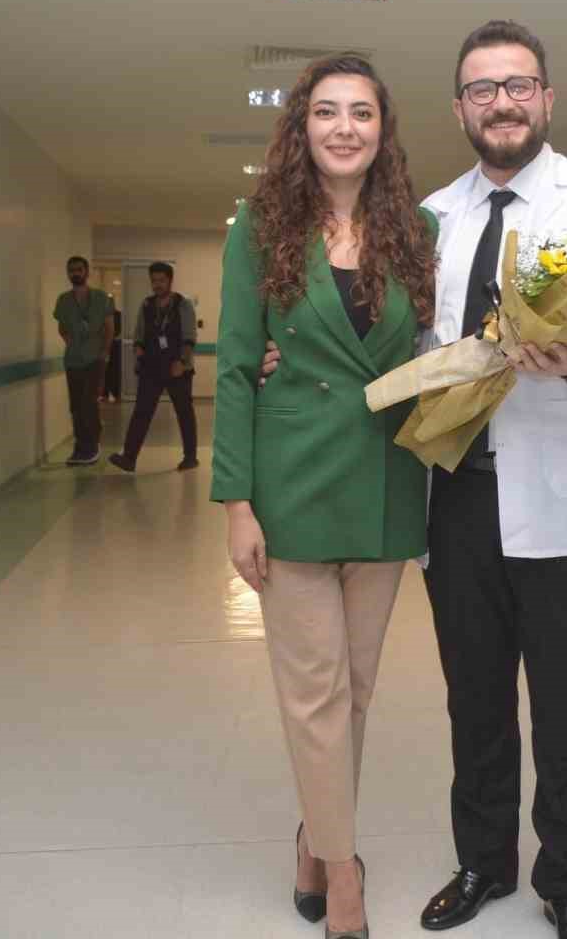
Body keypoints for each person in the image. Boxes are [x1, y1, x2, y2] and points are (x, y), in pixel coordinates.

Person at [417, 21, 567, 939]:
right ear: (460, 108)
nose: (503, 103)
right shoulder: (433, 217)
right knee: (474, 696)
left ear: (548, 99)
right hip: (460, 494)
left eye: (519, 85)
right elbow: (411, 344)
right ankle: (483, 863)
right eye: (483, 89)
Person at [211, 54, 438, 939]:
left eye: (363, 112)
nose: (346, 127)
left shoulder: (415, 228)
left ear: (384, 129)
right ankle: (344, 873)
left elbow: (431, 344)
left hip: (385, 483)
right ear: (301, 127)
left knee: (358, 690)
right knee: (314, 692)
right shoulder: (260, 225)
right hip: (293, 483)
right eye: (327, 111)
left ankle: (315, 835)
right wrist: (238, 503)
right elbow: (237, 367)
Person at [108, 262, 199, 472]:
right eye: (154, 281)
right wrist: (138, 348)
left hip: (177, 366)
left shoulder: (182, 304)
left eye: (161, 280)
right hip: (151, 366)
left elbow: (189, 336)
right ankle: (129, 458)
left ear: (170, 280)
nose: (157, 285)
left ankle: (190, 457)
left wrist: (182, 362)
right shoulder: (147, 305)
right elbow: (139, 332)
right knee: (141, 411)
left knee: (184, 412)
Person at [52, 256, 113, 465]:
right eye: (71, 270)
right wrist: (73, 344)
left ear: (87, 272)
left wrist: (104, 353)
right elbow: (62, 328)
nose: (75, 273)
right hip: (73, 360)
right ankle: (80, 446)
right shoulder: (63, 300)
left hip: (95, 358)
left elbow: (109, 327)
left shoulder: (101, 297)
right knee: (76, 405)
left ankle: (92, 445)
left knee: (89, 402)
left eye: (79, 269)